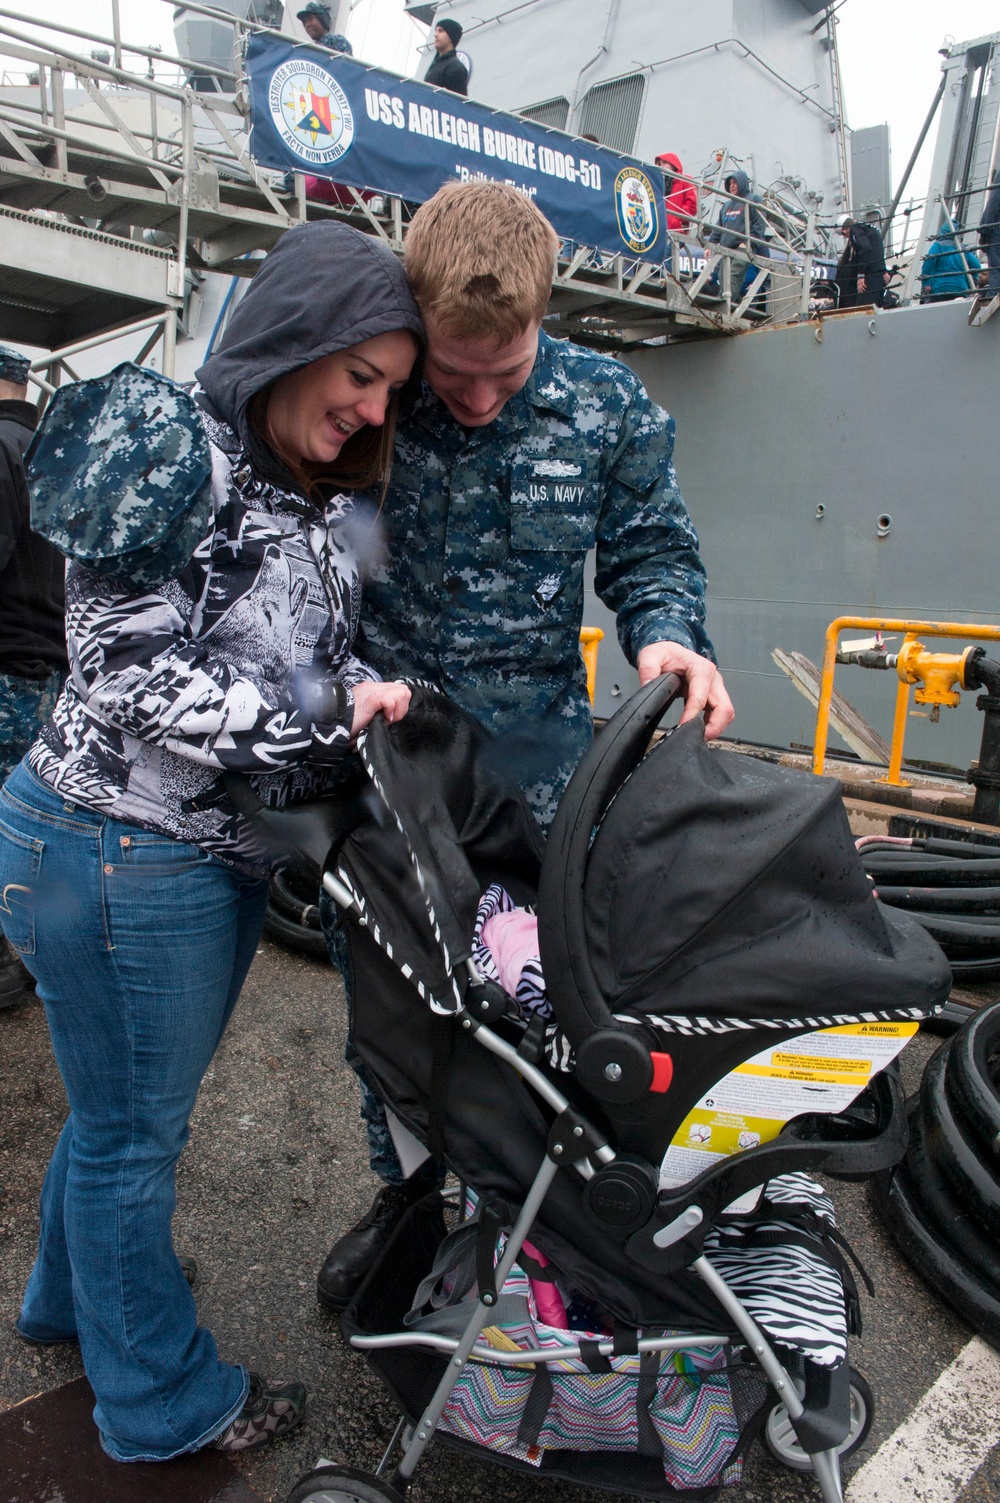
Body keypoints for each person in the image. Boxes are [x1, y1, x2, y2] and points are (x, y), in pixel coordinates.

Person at [0, 221, 422, 1463]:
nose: (369, 406)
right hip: (114, 848)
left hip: (188, 856)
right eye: (359, 374)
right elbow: (123, 666)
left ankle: (64, 1304)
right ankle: (162, 1403)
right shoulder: (166, 439)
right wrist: (321, 711)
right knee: (136, 1139)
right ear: (294, 340)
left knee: (112, 1111)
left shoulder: (319, 494)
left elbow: (310, 648)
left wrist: (370, 688)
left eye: (390, 389)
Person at [316, 180, 733, 1313]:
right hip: (395, 769)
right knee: (394, 1006)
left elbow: (653, 549)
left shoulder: (607, 402)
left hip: (543, 778)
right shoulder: (371, 393)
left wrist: (666, 640)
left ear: (546, 314)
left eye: (508, 373)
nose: (484, 400)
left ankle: (538, 1209)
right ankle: (406, 1197)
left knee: (550, 1004)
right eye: (455, 378)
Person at [0, 345, 67, 1011]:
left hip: (5, 663)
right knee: (28, 820)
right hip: (48, 666)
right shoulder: (51, 448)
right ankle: (36, 954)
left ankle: (13, 963)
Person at [706, 169, 769, 298]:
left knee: (733, 277)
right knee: (723, 278)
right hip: (725, 249)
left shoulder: (754, 199)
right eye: (730, 183)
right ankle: (729, 303)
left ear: (742, 183)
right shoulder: (726, 205)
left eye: (735, 182)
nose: (732, 185)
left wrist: (747, 242)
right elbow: (719, 226)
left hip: (741, 248)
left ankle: (725, 304)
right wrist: (711, 243)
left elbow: (760, 223)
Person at [920, 221, 982, 301]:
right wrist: (969, 283)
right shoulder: (962, 248)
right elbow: (976, 266)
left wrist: (926, 284)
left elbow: (928, 263)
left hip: (940, 288)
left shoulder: (938, 246)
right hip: (961, 288)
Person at [424, 18, 468, 96]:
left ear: (451, 36)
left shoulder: (456, 67)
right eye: (436, 31)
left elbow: (457, 103)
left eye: (440, 31)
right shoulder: (435, 65)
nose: (435, 34)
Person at [655, 151, 698, 233]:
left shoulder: (685, 180)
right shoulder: (659, 185)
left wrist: (677, 220)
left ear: (673, 163)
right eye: (660, 164)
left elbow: (692, 203)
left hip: (676, 229)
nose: (662, 166)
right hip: (660, 230)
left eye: (664, 162)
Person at [979, 168, 1000, 299]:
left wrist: (984, 230)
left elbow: (994, 201)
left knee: (996, 265)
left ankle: (994, 294)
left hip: (997, 228)